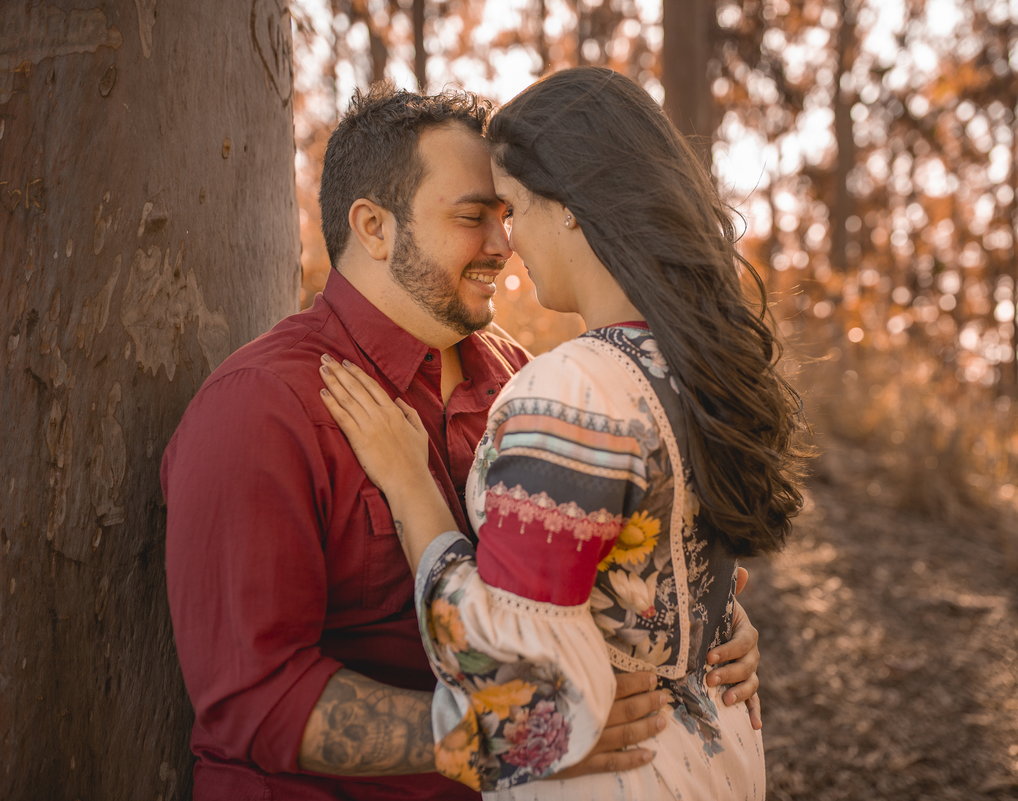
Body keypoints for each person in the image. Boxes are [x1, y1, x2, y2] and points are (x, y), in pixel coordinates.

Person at [161, 82, 763, 801]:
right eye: (473, 217)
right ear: (374, 226)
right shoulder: (263, 408)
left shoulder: (528, 379)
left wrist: (706, 632)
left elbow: (614, 567)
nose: (503, 245)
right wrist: (516, 740)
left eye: (507, 214)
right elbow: (252, 699)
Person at [316, 67, 807, 800]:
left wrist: (413, 488)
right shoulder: (697, 365)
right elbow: (672, 578)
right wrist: (714, 630)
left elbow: (520, 679)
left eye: (511, 208)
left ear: (572, 208)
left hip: (614, 776)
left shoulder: (569, 392)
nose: (507, 243)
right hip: (720, 758)